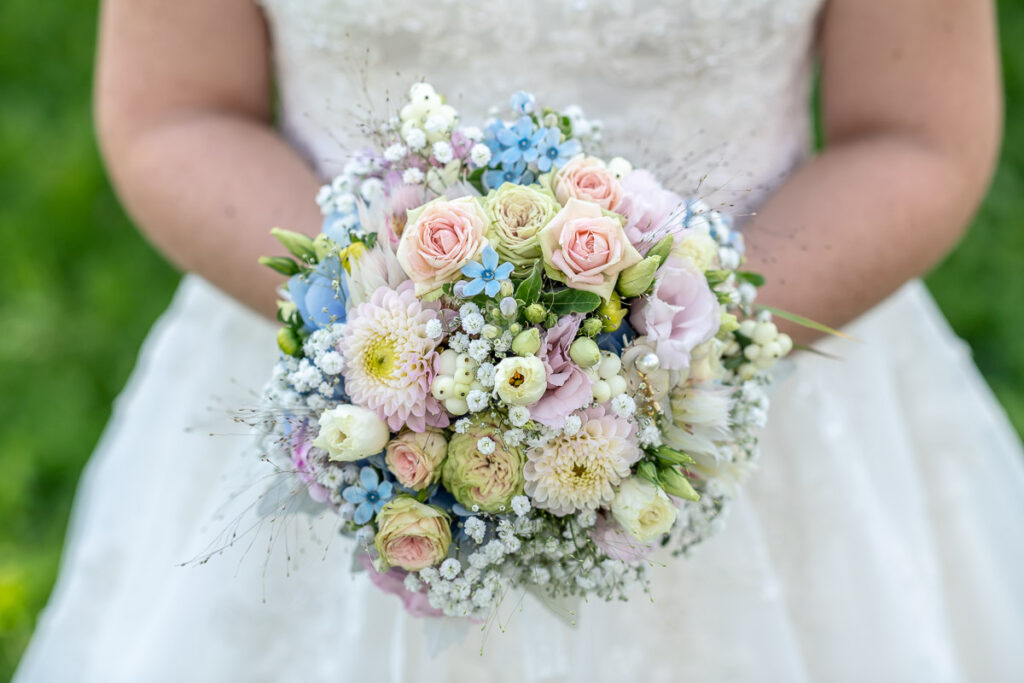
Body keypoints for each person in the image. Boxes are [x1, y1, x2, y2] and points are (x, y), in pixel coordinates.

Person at [15, 0, 1024, 681]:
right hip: (348, 403)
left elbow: (912, 130)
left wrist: (653, 368)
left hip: (750, 379)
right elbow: (176, 109)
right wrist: (403, 342)